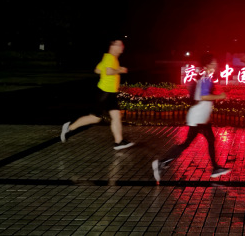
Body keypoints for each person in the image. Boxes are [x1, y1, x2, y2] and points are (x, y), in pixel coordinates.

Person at [152, 53, 230, 182]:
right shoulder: (205, 79)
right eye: (213, 63)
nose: (216, 65)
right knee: (191, 143)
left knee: (205, 140)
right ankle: (162, 162)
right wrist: (220, 96)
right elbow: (203, 97)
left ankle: (215, 168)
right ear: (207, 65)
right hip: (198, 117)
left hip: (200, 116)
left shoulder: (204, 78)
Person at [60, 39, 134, 150]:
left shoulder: (108, 58)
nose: (122, 47)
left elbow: (97, 70)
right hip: (105, 92)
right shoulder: (110, 58)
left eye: (121, 45)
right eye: (119, 45)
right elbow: (108, 72)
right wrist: (120, 70)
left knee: (116, 116)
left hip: (110, 92)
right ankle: (69, 128)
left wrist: (109, 69)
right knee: (95, 118)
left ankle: (118, 142)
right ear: (112, 47)